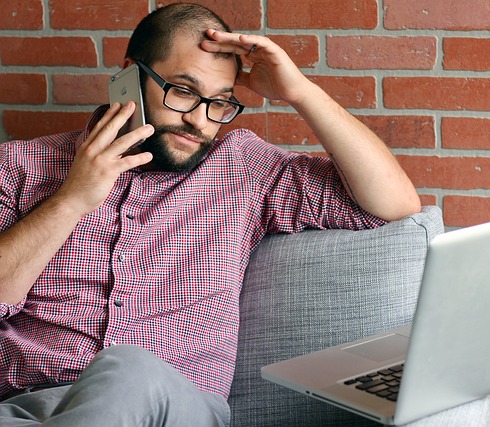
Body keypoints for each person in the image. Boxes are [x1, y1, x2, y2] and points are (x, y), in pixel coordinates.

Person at [0, 3, 420, 426]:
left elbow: (394, 203)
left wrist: (300, 92)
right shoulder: (20, 166)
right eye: (182, 91)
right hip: (22, 409)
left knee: (127, 369)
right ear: (130, 75)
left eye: (219, 103)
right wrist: (71, 199)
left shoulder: (243, 170)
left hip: (172, 408)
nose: (199, 121)